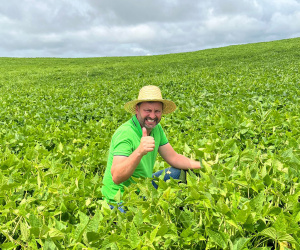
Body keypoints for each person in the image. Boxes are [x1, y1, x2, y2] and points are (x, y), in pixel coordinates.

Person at [101, 85, 201, 207]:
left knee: (181, 172)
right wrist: (139, 151)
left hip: (144, 188)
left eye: (157, 111)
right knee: (134, 220)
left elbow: (174, 158)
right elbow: (117, 177)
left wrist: (202, 166)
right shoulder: (125, 133)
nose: (153, 116)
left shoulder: (156, 128)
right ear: (137, 109)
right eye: (148, 110)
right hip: (120, 199)